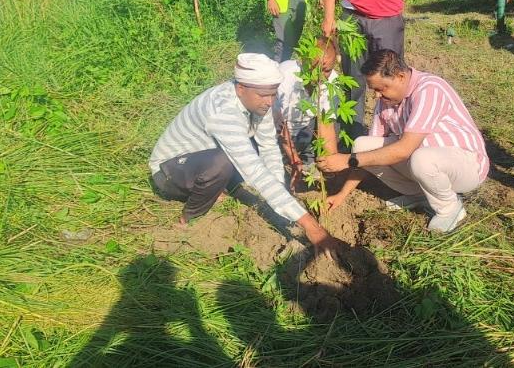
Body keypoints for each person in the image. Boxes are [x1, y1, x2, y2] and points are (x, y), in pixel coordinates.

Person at [148, 53, 343, 257]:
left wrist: (280, 190)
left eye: (273, 94)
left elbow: (268, 147)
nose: (269, 102)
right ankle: (189, 218)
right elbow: (255, 172)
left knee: (245, 157)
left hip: (200, 159)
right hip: (168, 172)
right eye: (263, 95)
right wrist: (311, 226)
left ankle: (216, 187)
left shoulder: (259, 102)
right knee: (222, 163)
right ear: (241, 88)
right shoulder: (223, 112)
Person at [318, 50, 488, 234]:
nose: (376, 96)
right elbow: (367, 158)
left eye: (381, 89)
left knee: (421, 159)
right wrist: (342, 195)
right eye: (374, 90)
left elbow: (404, 149)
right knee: (362, 146)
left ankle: (450, 208)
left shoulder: (429, 89)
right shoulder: (386, 101)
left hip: (467, 165)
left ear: (400, 76)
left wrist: (347, 160)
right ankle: (420, 195)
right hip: (427, 162)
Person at [321, 0, 448, 138]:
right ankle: (353, 142)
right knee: (353, 83)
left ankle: (392, 140)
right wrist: (329, 16)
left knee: (391, 84)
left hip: (387, 19)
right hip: (351, 19)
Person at [273, 37, 340, 182]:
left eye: (327, 70)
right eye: (317, 70)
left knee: (330, 128)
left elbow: (326, 124)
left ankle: (308, 159)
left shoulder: (332, 83)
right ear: (304, 62)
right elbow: (276, 122)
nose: (322, 77)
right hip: (276, 132)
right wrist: (293, 159)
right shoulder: (284, 75)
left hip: (304, 132)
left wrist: (331, 163)